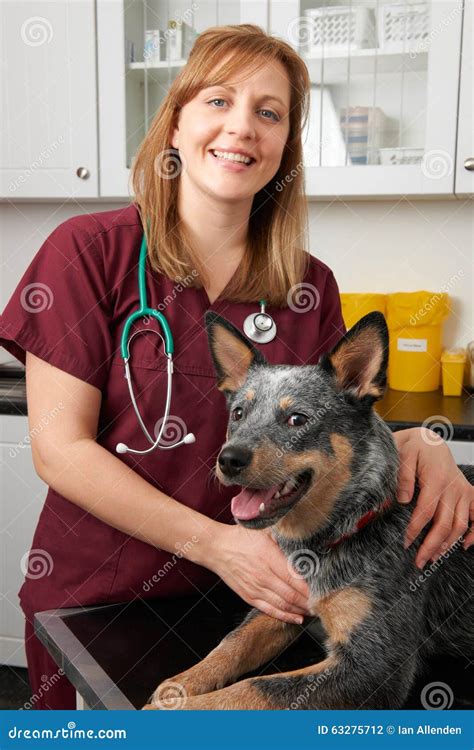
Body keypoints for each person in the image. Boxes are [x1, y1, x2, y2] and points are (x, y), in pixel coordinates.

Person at [1, 24, 472, 711]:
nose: (242, 128)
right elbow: (61, 451)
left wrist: (424, 443)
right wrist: (220, 545)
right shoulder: (87, 252)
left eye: (269, 112)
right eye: (218, 101)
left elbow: (328, 427)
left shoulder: (311, 284)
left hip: (261, 608)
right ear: (176, 124)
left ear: (285, 147)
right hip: (100, 608)